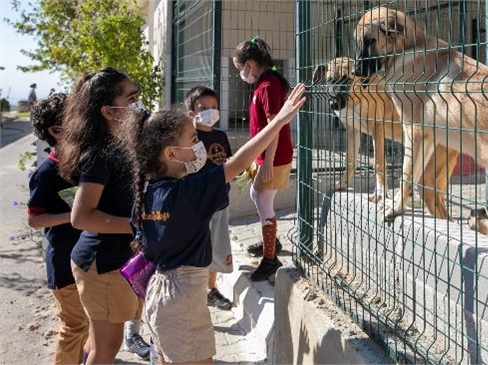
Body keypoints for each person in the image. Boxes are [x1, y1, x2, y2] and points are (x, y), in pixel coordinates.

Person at [122, 83, 305, 364]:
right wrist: (279, 120)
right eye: (193, 139)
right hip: (182, 300)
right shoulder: (187, 192)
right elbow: (238, 162)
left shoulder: (147, 191)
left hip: (159, 294)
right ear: (170, 154)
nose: (199, 146)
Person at [58, 67, 150, 363]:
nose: (139, 105)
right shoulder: (101, 155)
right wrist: (138, 226)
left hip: (114, 262)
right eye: (131, 99)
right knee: (107, 347)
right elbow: (81, 217)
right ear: (109, 112)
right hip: (101, 264)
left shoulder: (122, 146)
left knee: (99, 343)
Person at [27, 93, 91, 364]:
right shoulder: (45, 174)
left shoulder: (85, 163)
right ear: (55, 131)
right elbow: (34, 219)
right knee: (75, 326)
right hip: (63, 265)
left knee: (87, 322)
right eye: (73, 119)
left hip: (86, 261)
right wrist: (74, 216)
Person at [232, 36, 292, 281]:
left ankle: (270, 258)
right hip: (267, 155)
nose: (241, 74)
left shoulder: (268, 86)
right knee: (260, 198)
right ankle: (271, 243)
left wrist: (267, 162)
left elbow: (274, 126)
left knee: (260, 197)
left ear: (250, 64)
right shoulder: (264, 84)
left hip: (274, 157)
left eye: (240, 68)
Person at [185, 86, 234, 310]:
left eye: (213, 107)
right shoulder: (186, 136)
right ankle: (192, 292)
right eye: (203, 108)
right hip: (195, 203)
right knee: (196, 246)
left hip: (220, 199)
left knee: (216, 244)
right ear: (191, 111)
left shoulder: (220, 136)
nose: (209, 112)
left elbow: (229, 162)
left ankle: (210, 289)